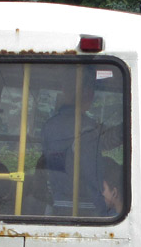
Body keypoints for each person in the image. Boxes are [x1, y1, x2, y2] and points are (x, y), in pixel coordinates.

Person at [41, 68, 105, 215]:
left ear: (64, 90)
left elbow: (50, 165)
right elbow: (92, 173)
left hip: (57, 204)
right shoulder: (88, 127)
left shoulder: (49, 126)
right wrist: (102, 208)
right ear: (87, 92)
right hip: (85, 207)